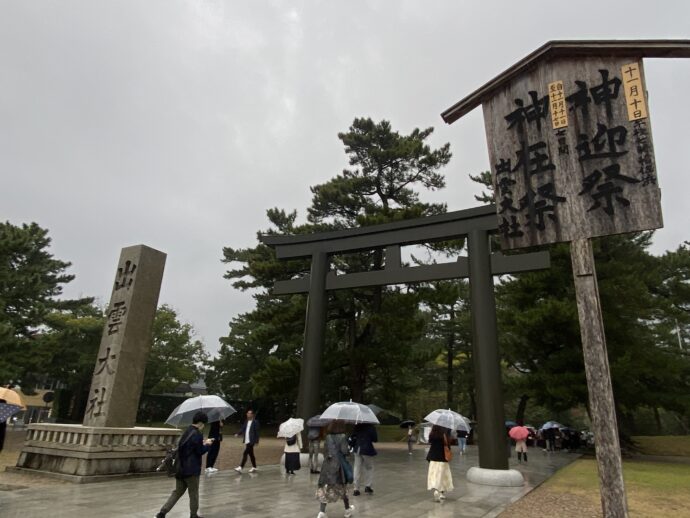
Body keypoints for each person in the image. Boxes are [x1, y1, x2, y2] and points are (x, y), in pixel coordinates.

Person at [156, 411, 214, 518]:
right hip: (191, 470)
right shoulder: (197, 434)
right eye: (204, 423)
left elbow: (189, 447)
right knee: (194, 494)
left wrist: (202, 443)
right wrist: (208, 445)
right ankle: (193, 515)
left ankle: (162, 513)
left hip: (180, 468)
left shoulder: (187, 431)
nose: (204, 426)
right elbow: (200, 451)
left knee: (177, 492)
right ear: (200, 423)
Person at [316, 420, 355, 518]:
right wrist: (349, 449)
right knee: (342, 487)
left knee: (326, 487)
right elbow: (344, 451)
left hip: (328, 465)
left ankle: (322, 512)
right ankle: (347, 510)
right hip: (338, 466)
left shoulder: (328, 437)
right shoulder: (342, 437)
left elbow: (325, 450)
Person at [426, 424, 453, 502]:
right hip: (442, 459)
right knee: (442, 476)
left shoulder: (432, 435)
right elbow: (448, 446)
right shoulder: (444, 435)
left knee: (434, 475)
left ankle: (436, 490)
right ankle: (440, 493)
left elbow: (431, 443)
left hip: (433, 458)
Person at [351, 422, 377, 496]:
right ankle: (368, 486)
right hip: (367, 449)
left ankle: (356, 489)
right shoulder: (371, 427)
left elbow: (353, 436)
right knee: (369, 467)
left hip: (357, 448)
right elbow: (375, 439)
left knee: (357, 468)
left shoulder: (357, 426)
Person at [234, 409, 259, 473]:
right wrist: (238, 433)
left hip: (251, 441)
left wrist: (256, 441)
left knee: (245, 453)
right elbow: (243, 428)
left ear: (252, 415)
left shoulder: (255, 422)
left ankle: (240, 467)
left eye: (249, 413)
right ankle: (254, 467)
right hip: (246, 440)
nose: (248, 414)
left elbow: (257, 432)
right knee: (251, 454)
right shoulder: (246, 421)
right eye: (247, 413)